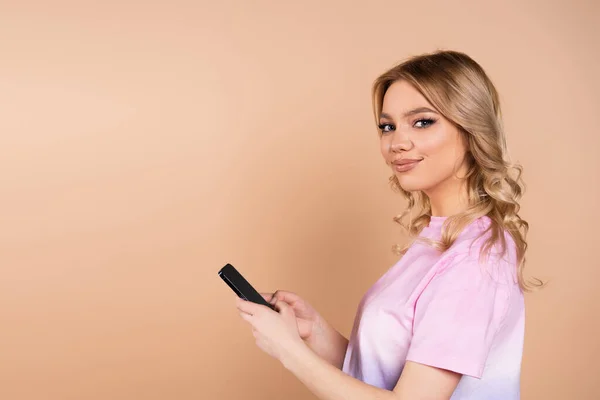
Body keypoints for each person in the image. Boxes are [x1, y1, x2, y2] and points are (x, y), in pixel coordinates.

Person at [235, 49, 540, 400]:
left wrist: (290, 352)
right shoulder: (441, 235)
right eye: (387, 126)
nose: (397, 142)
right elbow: (389, 375)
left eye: (422, 121)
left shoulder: (476, 258)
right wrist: (313, 332)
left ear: (471, 128)